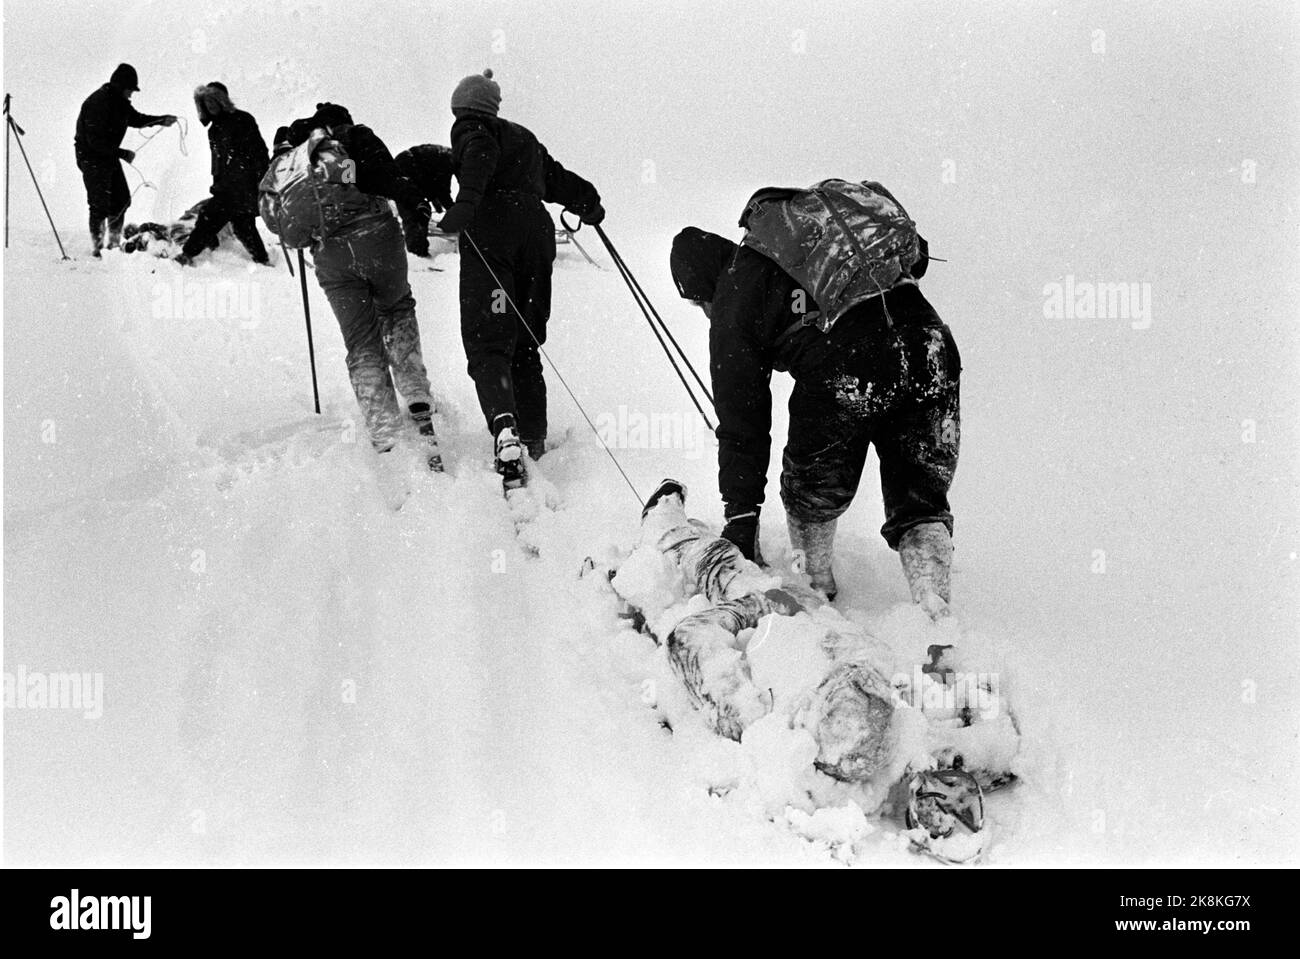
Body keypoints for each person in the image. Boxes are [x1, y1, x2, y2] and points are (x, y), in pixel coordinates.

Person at [669, 213, 960, 617]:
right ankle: (936, 622)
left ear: (703, 287)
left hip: (846, 365)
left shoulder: (733, 295)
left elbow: (742, 424)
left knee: (811, 493)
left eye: (697, 302)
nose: (703, 312)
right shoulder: (795, 253)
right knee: (921, 501)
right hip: (930, 346)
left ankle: (817, 598)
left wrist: (740, 515)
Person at [439, 69, 604, 488]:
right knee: (526, 338)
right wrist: (587, 200)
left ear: (464, 107)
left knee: (488, 337)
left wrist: (467, 204)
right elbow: (556, 179)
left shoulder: (472, 128)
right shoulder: (524, 139)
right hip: (536, 234)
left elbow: (477, 156)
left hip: (494, 235)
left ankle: (505, 427)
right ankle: (533, 436)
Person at [272, 106, 439, 462]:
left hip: (331, 255)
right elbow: (386, 176)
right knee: (395, 309)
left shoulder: (296, 155)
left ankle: (383, 426)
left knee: (360, 338)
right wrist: (409, 196)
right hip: (377, 238)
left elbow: (278, 211)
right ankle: (415, 390)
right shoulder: (355, 137)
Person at [73, 63, 177, 256]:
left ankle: (112, 245)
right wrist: (123, 154)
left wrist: (161, 120)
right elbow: (94, 142)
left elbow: (135, 118)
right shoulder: (98, 103)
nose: (131, 95)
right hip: (91, 158)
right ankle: (97, 249)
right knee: (99, 205)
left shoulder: (119, 103)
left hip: (108, 156)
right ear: (120, 86)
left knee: (121, 200)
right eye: (130, 90)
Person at [174, 83, 269, 266]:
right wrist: (218, 181)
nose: (209, 105)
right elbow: (218, 162)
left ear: (221, 101)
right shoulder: (214, 129)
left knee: (208, 218)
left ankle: (187, 254)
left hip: (241, 185)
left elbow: (259, 152)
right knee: (243, 227)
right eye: (206, 102)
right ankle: (263, 260)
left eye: (212, 101)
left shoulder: (242, 120)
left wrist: (261, 180)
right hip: (227, 186)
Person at [393, 144, 455, 257]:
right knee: (417, 213)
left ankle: (417, 251)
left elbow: (434, 182)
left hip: (407, 170)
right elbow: (442, 191)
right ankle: (417, 255)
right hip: (404, 172)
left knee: (418, 211)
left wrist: (438, 202)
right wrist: (456, 212)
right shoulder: (448, 160)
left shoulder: (445, 157)